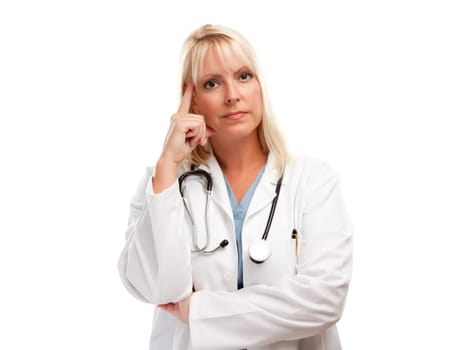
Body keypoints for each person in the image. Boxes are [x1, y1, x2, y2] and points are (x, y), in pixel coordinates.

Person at [118, 24, 353, 350]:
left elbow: (325, 300)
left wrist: (201, 312)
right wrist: (167, 166)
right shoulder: (164, 184)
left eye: (244, 76)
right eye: (212, 83)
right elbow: (158, 290)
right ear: (193, 100)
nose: (232, 95)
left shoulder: (313, 180)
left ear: (260, 85)